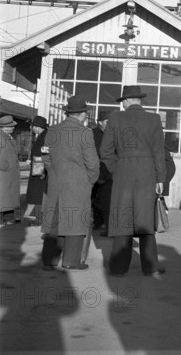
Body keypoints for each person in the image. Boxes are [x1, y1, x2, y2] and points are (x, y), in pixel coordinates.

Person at [100, 85, 166, 277]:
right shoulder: (154, 119)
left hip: (123, 173)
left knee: (123, 219)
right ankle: (151, 267)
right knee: (145, 218)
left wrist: (116, 169)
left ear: (126, 101)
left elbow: (105, 151)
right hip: (147, 174)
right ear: (139, 100)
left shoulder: (115, 118)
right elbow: (158, 153)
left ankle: (119, 268)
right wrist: (160, 178)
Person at [41, 96, 100, 270]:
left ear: (68, 113)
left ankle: (49, 260)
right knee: (75, 223)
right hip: (78, 184)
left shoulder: (53, 130)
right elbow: (93, 163)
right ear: (82, 114)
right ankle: (71, 261)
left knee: (54, 222)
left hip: (56, 182)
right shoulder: (85, 132)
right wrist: (89, 181)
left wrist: (54, 172)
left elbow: (45, 155)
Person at [23, 115, 49, 223]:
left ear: (37, 127)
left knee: (37, 193)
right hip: (38, 167)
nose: (32, 129)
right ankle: (32, 215)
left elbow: (44, 153)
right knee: (36, 193)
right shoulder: (43, 135)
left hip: (39, 169)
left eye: (33, 126)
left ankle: (38, 217)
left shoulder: (44, 136)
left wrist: (40, 171)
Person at [92, 111, 112, 235]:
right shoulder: (92, 134)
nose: (109, 124)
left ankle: (109, 227)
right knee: (94, 200)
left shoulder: (113, 134)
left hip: (108, 173)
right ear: (100, 122)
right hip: (94, 171)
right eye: (106, 122)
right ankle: (97, 222)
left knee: (106, 202)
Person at [0, 115, 21, 225]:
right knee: (3, 196)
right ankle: (1, 219)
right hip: (3, 173)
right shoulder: (0, 137)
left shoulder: (8, 136)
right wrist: (4, 166)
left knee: (9, 196)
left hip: (9, 173)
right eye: (11, 126)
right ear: (5, 127)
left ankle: (8, 217)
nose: (13, 128)